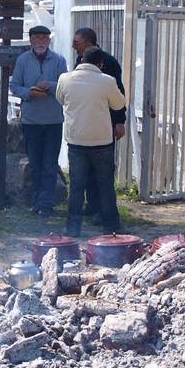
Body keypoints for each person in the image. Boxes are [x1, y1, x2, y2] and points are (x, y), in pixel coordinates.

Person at [56, 47, 127, 237]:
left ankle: (73, 228)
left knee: (77, 185)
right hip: (102, 140)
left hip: (76, 140)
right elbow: (119, 104)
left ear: (81, 61)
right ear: (100, 63)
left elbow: (60, 99)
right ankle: (111, 226)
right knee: (105, 184)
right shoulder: (107, 81)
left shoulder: (65, 79)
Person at [10, 24, 66, 216]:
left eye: (44, 38)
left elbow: (65, 87)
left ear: (49, 40)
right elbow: (15, 86)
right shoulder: (22, 60)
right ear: (31, 40)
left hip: (53, 120)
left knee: (50, 164)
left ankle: (46, 204)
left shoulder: (59, 60)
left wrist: (49, 85)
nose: (41, 41)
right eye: (37, 38)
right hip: (31, 120)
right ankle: (36, 201)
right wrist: (29, 92)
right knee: (35, 164)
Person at [71, 27, 125, 218]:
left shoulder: (108, 62)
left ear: (88, 43)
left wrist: (120, 121)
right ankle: (92, 205)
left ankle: (104, 211)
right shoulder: (80, 61)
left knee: (103, 173)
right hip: (85, 123)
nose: (73, 46)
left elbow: (119, 94)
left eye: (76, 43)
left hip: (105, 123)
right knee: (86, 173)